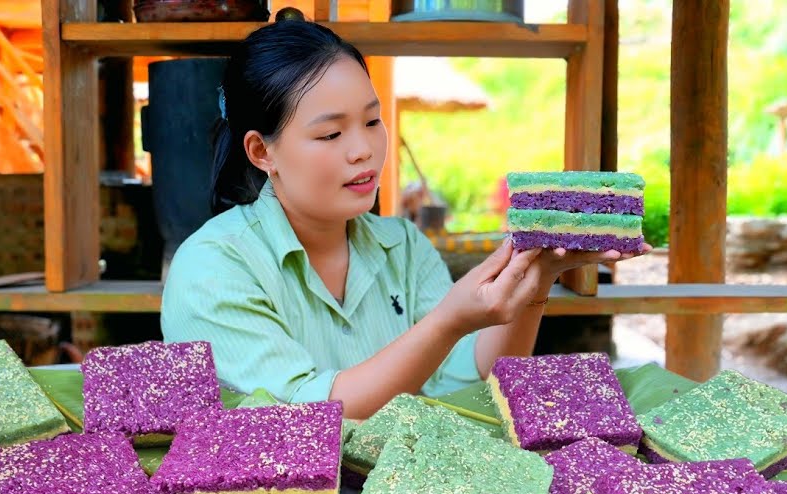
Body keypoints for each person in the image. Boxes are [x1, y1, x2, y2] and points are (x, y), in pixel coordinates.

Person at [161, 18, 648, 418]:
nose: (363, 150)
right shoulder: (211, 268)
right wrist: (445, 323)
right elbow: (309, 419)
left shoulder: (403, 245)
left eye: (372, 121)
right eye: (331, 135)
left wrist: (537, 274)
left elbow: (472, 380)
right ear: (262, 150)